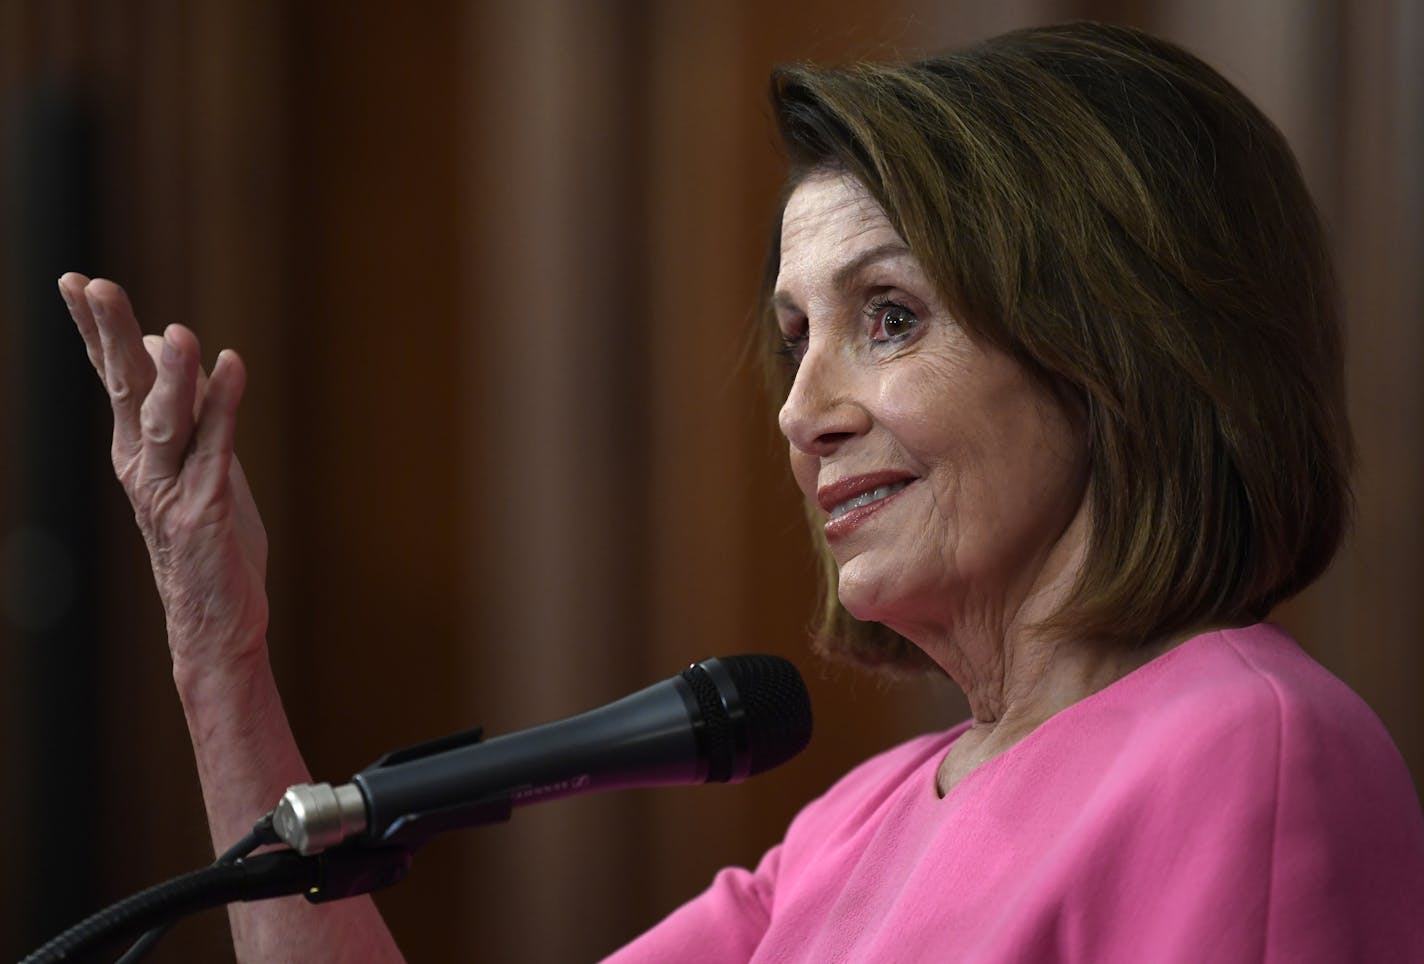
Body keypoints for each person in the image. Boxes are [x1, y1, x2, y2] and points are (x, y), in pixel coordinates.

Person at [57, 21, 1424, 963]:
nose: (800, 412)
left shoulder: (1244, 744)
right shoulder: (860, 822)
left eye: (887, 317)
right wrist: (220, 661)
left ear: (1119, 347)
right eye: (793, 340)